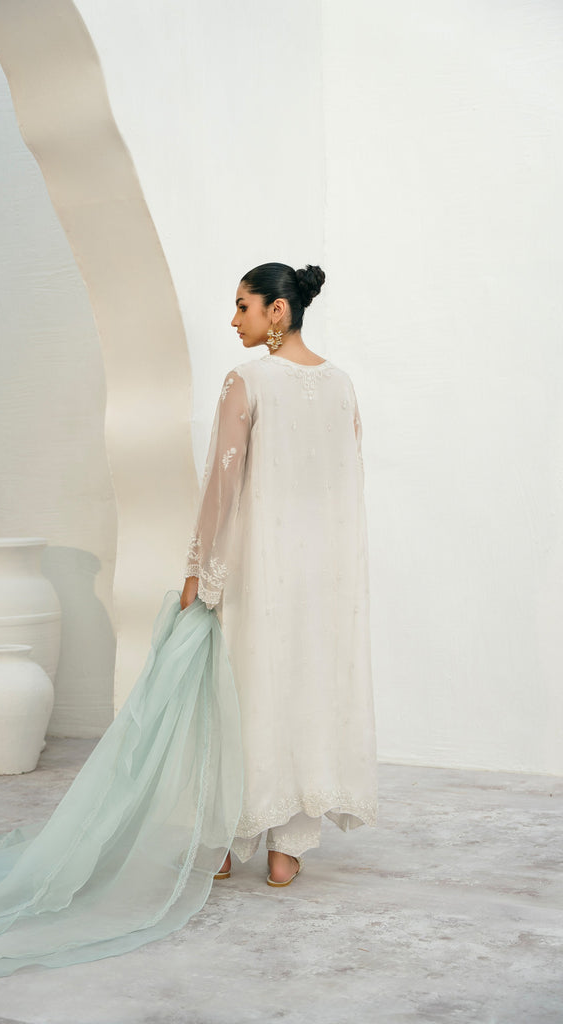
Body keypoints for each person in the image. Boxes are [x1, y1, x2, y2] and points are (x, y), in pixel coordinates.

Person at [181, 262, 377, 887]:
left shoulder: (247, 380)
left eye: (243, 306)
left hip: (258, 570)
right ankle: (286, 848)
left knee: (242, 691)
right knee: (304, 689)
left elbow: (222, 486)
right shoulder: (342, 385)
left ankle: (224, 838)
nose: (233, 320)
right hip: (324, 576)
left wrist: (199, 571)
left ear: (278, 311)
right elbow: (347, 484)